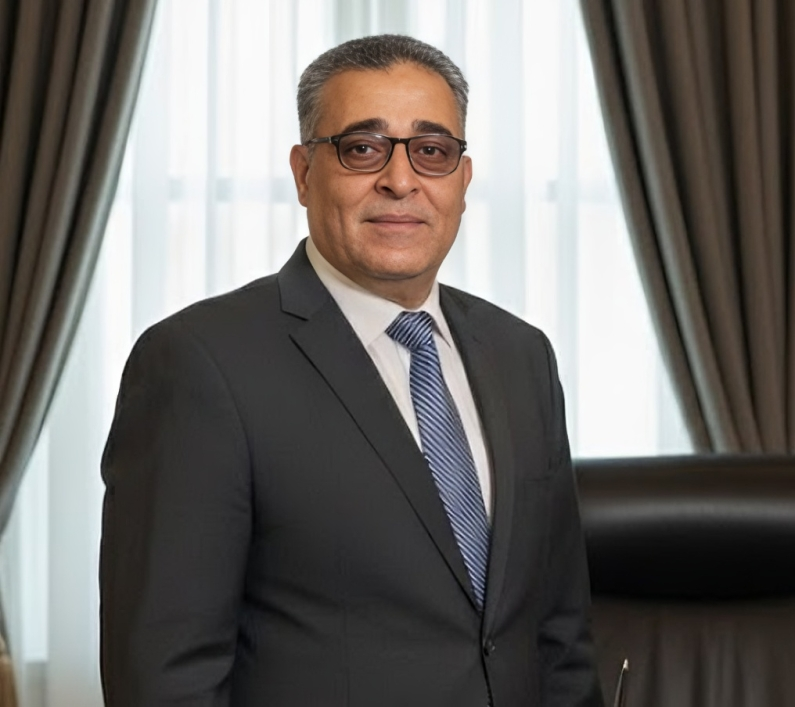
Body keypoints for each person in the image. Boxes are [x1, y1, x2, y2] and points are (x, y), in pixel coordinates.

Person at [99, 34, 604, 707]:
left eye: (431, 151)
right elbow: (165, 678)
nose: (401, 180)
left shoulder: (522, 356)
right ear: (304, 172)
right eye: (363, 148)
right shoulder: (198, 363)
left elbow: (559, 639)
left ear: (462, 179)